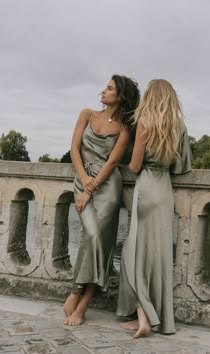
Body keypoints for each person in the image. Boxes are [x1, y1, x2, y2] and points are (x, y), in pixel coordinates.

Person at [116, 79, 192, 338]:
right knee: (157, 257)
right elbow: (181, 167)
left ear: (150, 96)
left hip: (146, 188)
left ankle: (143, 316)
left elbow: (135, 166)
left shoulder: (145, 123)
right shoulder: (178, 126)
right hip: (164, 191)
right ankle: (155, 318)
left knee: (131, 254)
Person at [64, 74, 140, 326]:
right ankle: (77, 292)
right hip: (83, 180)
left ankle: (80, 300)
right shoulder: (87, 114)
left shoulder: (125, 127)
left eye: (110, 89)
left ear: (122, 96)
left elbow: (113, 161)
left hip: (107, 187)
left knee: (101, 241)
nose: (103, 91)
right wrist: (84, 179)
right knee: (92, 236)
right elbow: (74, 148)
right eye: (105, 87)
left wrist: (91, 189)